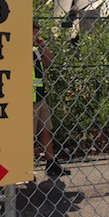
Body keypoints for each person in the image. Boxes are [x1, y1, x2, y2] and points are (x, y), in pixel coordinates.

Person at [33, 21, 70, 178]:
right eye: (33, 33)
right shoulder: (19, 49)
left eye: (36, 33)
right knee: (28, 135)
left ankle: (51, 164)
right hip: (27, 100)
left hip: (40, 97)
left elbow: (49, 62)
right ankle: (25, 170)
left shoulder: (35, 50)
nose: (35, 36)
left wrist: (42, 46)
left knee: (46, 130)